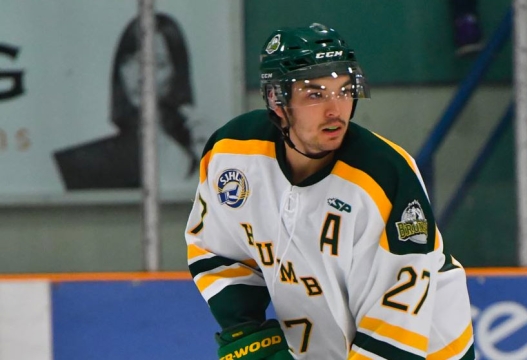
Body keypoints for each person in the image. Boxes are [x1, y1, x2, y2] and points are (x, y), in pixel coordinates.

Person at [185, 23, 475, 359]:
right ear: (276, 100)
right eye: (315, 94)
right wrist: (244, 327)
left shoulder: (383, 176)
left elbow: (395, 325)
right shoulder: (232, 154)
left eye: (345, 90)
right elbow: (217, 248)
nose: (336, 110)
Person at [53, 12, 198, 190]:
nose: (141, 76)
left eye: (157, 64)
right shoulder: (83, 162)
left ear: (177, 72)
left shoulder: (198, 149)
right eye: (131, 61)